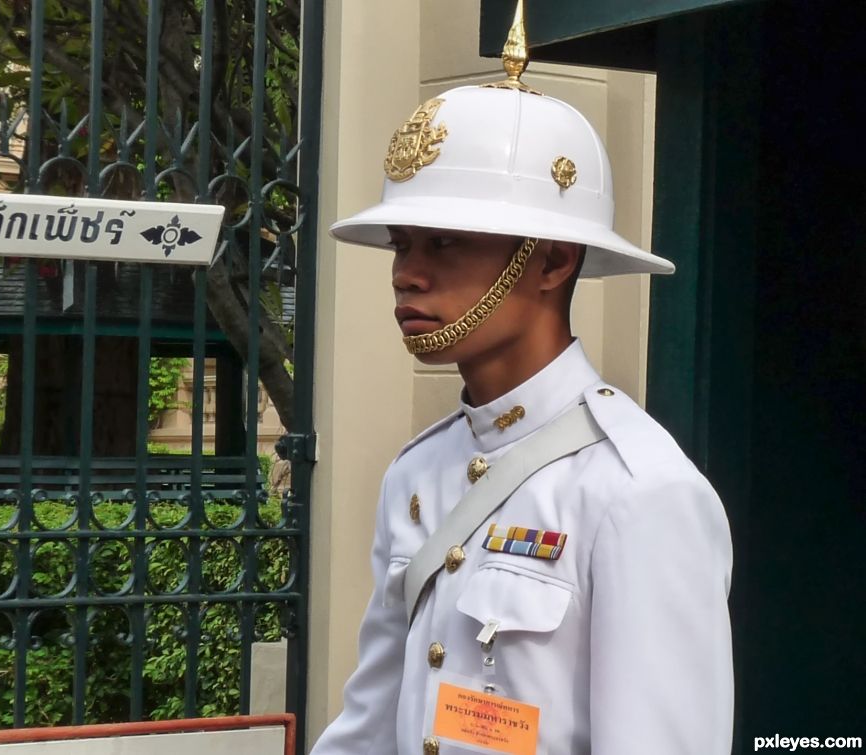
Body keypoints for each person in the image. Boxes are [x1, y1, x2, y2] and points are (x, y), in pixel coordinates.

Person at [311, 5, 734, 754]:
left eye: (445, 241)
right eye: (403, 242)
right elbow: (371, 723)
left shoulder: (636, 490)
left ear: (551, 261)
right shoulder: (419, 472)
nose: (407, 272)